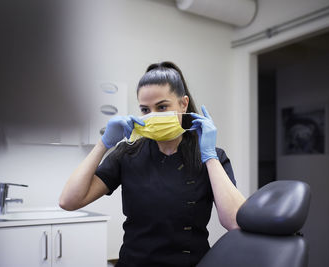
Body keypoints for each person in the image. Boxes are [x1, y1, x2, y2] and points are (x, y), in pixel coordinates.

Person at [59, 61, 246, 267]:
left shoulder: (210, 157)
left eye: (162, 107)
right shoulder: (127, 153)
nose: (153, 115)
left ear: (183, 104)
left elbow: (236, 222)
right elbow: (69, 201)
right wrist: (103, 144)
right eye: (145, 109)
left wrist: (209, 156)